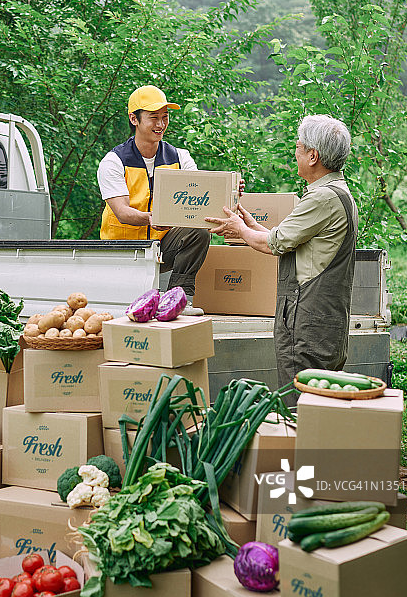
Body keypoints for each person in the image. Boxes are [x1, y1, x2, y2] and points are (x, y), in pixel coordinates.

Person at [206, 114, 358, 406]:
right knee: (322, 404)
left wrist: (239, 229)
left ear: (313, 156)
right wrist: (247, 224)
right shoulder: (338, 194)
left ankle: (297, 454)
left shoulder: (321, 199)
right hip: (325, 321)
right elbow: (287, 240)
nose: (295, 152)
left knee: (299, 405)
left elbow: (274, 244)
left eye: (299, 147)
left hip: (308, 322)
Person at [97, 85, 210, 314]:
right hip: (123, 250)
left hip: (161, 247)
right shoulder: (113, 161)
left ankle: (179, 300)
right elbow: (121, 211)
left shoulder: (180, 157)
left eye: (165, 118)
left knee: (199, 232)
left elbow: (202, 193)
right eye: (154, 118)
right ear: (134, 119)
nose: (160, 125)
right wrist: (151, 219)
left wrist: (230, 190)